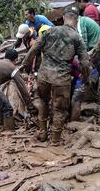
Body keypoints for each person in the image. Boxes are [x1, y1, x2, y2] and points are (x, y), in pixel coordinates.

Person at [24, 10, 90, 145]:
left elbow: (33, 50)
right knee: (59, 109)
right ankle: (55, 140)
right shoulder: (77, 37)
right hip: (61, 79)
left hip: (44, 76)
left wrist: (26, 65)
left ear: (64, 18)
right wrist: (86, 79)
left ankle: (42, 134)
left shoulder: (49, 32)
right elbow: (85, 62)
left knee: (43, 102)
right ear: (76, 21)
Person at [65, 6, 100, 121]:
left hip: (98, 48)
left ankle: (87, 92)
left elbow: (83, 43)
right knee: (92, 70)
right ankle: (91, 92)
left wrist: (78, 57)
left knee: (89, 69)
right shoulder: (82, 20)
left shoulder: (80, 23)